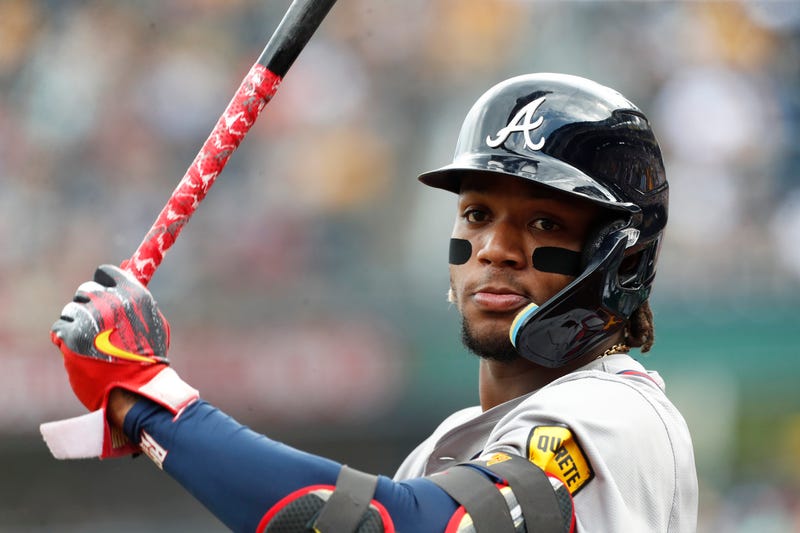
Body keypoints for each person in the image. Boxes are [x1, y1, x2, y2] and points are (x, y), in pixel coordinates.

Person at [42, 73, 698, 532]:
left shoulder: (615, 415)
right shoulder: (445, 448)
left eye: (544, 224)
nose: (494, 247)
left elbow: (395, 525)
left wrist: (155, 402)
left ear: (621, 257)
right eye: (476, 213)